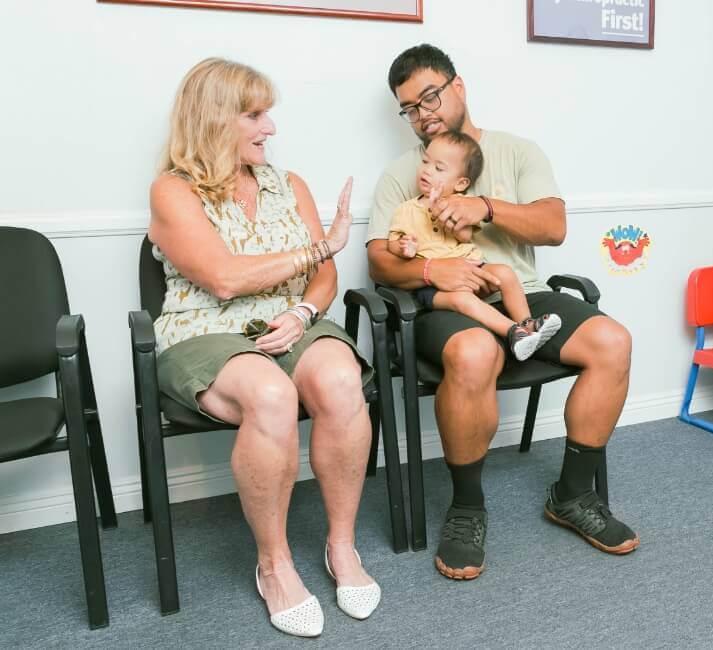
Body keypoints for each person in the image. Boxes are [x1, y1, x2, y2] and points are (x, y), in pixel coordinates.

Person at [367, 44, 639, 581]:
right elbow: (379, 259)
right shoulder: (405, 174)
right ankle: (467, 507)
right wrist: (429, 272)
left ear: (458, 86)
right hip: (447, 302)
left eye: (430, 97)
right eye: (410, 108)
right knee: (473, 351)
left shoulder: (518, 151)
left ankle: (572, 494)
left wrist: (484, 208)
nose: (423, 114)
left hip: (523, 293)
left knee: (614, 341)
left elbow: (554, 227)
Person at [149, 58, 380, 637]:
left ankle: (342, 548)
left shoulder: (289, 184)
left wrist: (303, 310)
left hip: (290, 322)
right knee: (273, 395)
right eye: (254, 114)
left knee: (341, 379)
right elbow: (224, 278)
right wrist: (319, 249)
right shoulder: (172, 192)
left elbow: (323, 278)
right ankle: (274, 565)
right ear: (213, 118)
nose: (269, 127)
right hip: (205, 330)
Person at [387, 129, 562, 362]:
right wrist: (402, 247)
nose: (427, 170)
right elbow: (392, 241)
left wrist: (441, 210)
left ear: (460, 183)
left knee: (505, 274)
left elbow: (464, 235)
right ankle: (513, 333)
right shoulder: (407, 209)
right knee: (462, 300)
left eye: (438, 168)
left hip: (473, 268)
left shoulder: (461, 205)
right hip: (433, 287)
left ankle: (528, 325)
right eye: (426, 162)